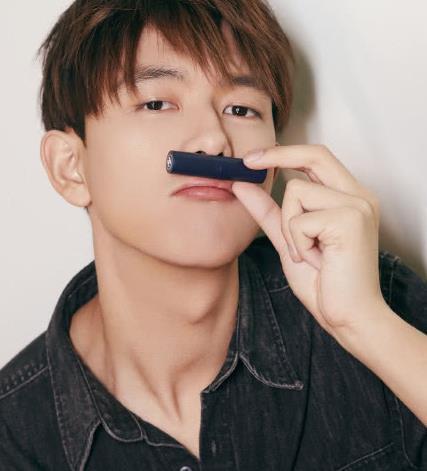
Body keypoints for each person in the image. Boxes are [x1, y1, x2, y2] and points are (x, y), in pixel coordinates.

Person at [0, 1, 426, 470]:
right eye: (157, 104)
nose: (213, 140)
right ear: (70, 167)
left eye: (241, 108)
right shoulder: (13, 438)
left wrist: (367, 326)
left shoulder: (376, 300)